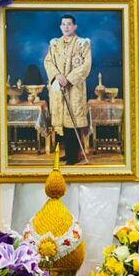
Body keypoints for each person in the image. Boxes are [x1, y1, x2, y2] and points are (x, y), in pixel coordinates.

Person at [44, 14, 91, 165]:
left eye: (69, 24)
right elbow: (48, 61)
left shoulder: (82, 44)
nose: (66, 27)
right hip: (59, 87)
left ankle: (74, 155)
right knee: (63, 123)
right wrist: (57, 76)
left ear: (75, 26)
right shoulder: (55, 44)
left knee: (73, 121)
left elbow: (86, 65)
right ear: (60, 26)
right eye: (63, 24)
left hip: (74, 88)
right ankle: (68, 153)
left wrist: (68, 79)